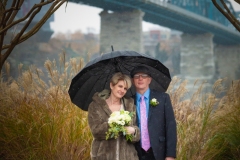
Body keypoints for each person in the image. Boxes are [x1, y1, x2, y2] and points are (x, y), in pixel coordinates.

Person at [88, 72, 140, 160]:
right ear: (112, 85)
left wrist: (134, 131)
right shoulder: (96, 106)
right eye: (120, 86)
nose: (122, 90)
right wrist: (115, 124)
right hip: (103, 156)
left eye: (125, 88)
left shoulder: (130, 106)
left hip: (128, 157)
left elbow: (136, 132)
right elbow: (96, 131)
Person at [130, 66, 177, 160]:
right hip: (135, 153)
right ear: (132, 81)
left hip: (159, 151)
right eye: (136, 76)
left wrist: (170, 155)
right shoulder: (128, 101)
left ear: (149, 80)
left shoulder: (163, 98)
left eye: (144, 75)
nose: (140, 78)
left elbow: (170, 126)